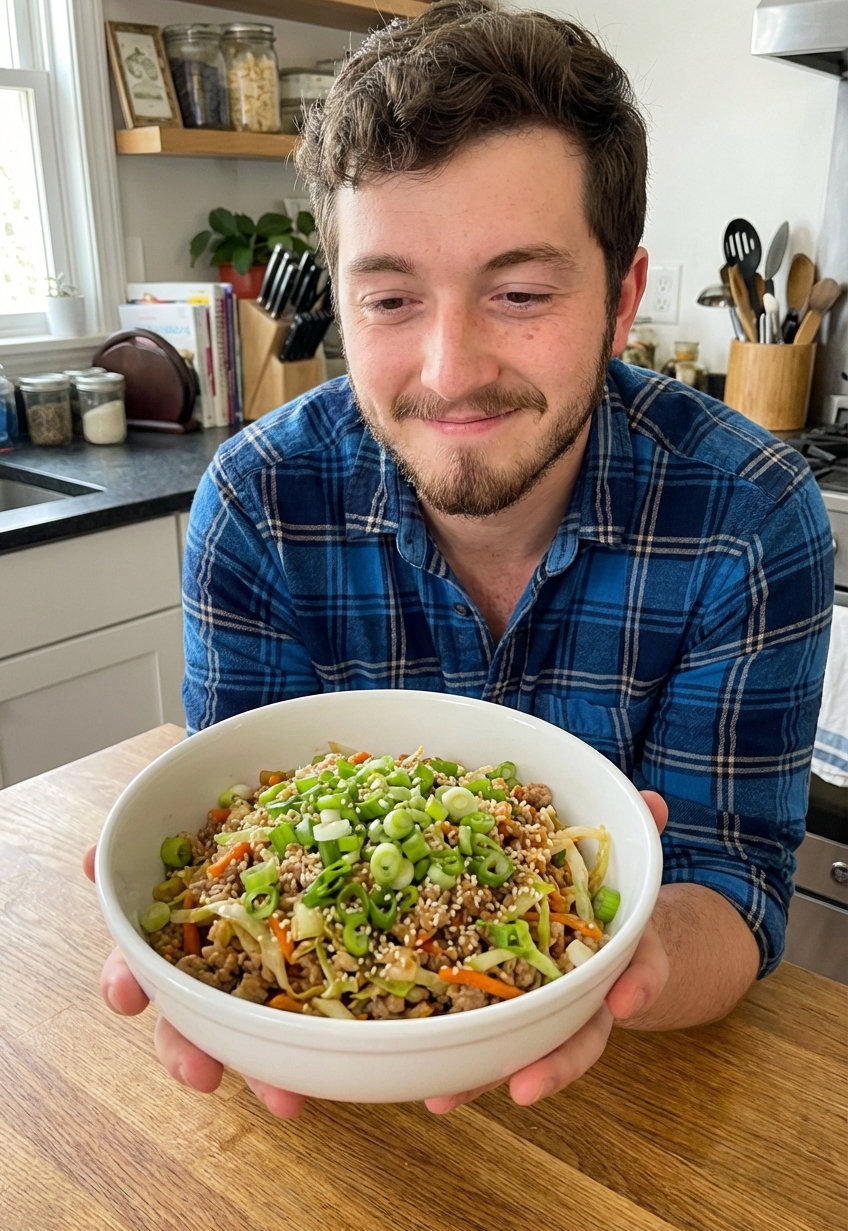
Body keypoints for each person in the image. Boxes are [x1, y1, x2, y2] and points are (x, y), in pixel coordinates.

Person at [85, 0, 832, 1117]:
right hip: (323, 1120)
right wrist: (217, 966)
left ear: (620, 301)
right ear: (339, 304)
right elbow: (233, 821)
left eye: (521, 294)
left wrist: (609, 972)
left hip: (620, 1108)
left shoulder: (749, 517)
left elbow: (733, 883)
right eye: (389, 299)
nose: (448, 370)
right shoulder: (257, 504)